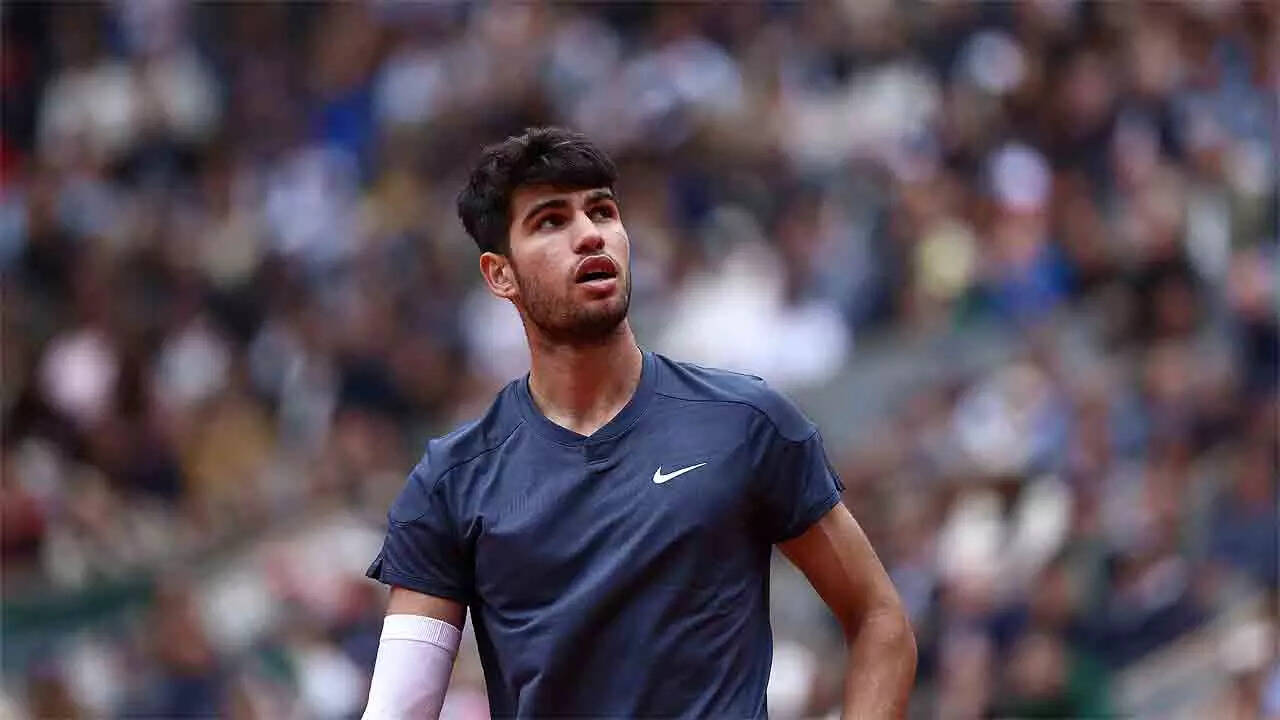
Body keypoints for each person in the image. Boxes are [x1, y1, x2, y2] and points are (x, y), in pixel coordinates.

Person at [362, 127, 916, 719]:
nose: (589, 234)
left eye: (602, 211)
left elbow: (879, 620)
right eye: (551, 221)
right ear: (501, 275)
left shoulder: (745, 422)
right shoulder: (452, 481)